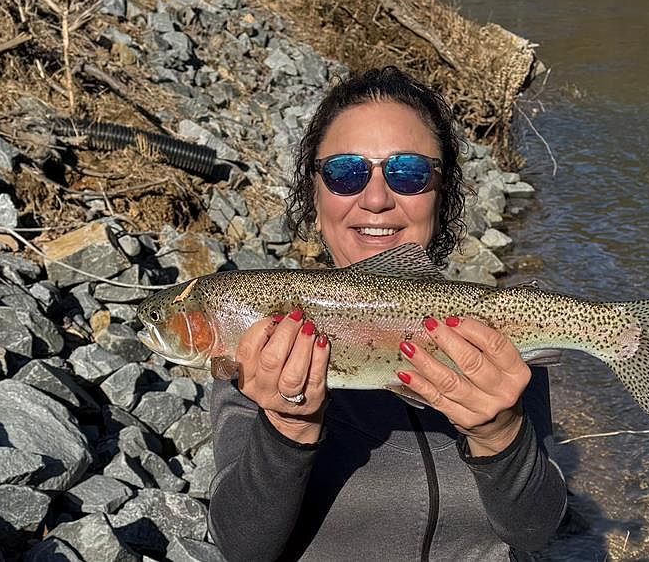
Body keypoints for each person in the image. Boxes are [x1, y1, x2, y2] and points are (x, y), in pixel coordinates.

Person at [207, 66, 567, 560]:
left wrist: (501, 434)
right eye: (345, 173)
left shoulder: (494, 338)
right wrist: (288, 428)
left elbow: (536, 532)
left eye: (408, 173)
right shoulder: (262, 343)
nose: (376, 199)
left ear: (442, 194)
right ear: (315, 197)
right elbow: (241, 549)